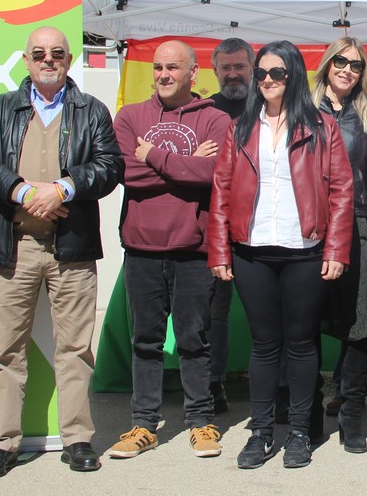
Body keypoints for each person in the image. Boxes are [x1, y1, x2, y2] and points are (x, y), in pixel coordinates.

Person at [0, 27, 122, 480]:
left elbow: (109, 164)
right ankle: (2, 443)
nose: (48, 59)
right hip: (10, 248)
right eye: (39, 53)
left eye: (56, 53)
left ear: (69, 58)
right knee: (4, 351)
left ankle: (77, 439)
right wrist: (19, 190)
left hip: (71, 250)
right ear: (25, 59)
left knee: (75, 349)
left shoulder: (90, 111)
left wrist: (62, 189)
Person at [208, 40, 354, 469]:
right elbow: (222, 192)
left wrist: (336, 248)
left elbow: (342, 190)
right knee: (264, 345)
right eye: (262, 74)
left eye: (277, 73)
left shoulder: (321, 125)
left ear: (293, 75)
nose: (268, 81)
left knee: (302, 345)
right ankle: (260, 432)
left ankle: (299, 435)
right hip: (252, 249)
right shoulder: (240, 128)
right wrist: (219, 249)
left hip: (303, 248)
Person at [108, 40, 231, 460]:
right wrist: (184, 162)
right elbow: (129, 174)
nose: (163, 74)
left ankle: (201, 421)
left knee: (195, 340)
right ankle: (143, 424)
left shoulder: (214, 119)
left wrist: (153, 154)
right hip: (141, 247)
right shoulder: (129, 117)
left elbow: (214, 174)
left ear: (193, 74)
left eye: (173, 68)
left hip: (194, 249)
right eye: (158, 67)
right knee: (146, 340)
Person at [311, 37, 367, 453]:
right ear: (327, 64)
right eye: (340, 61)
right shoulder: (299, 110)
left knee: (359, 324)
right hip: (308, 228)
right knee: (304, 324)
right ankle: (308, 415)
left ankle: (352, 418)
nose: (347, 70)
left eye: (356, 65)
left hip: (357, 223)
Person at [207, 37, 254, 414]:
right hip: (220, 229)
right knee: (213, 314)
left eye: (240, 66)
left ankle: (279, 389)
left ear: (252, 68)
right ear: (215, 71)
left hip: (264, 229)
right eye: (227, 67)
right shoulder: (206, 112)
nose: (234, 73)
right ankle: (212, 385)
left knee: (270, 316)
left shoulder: (269, 106)